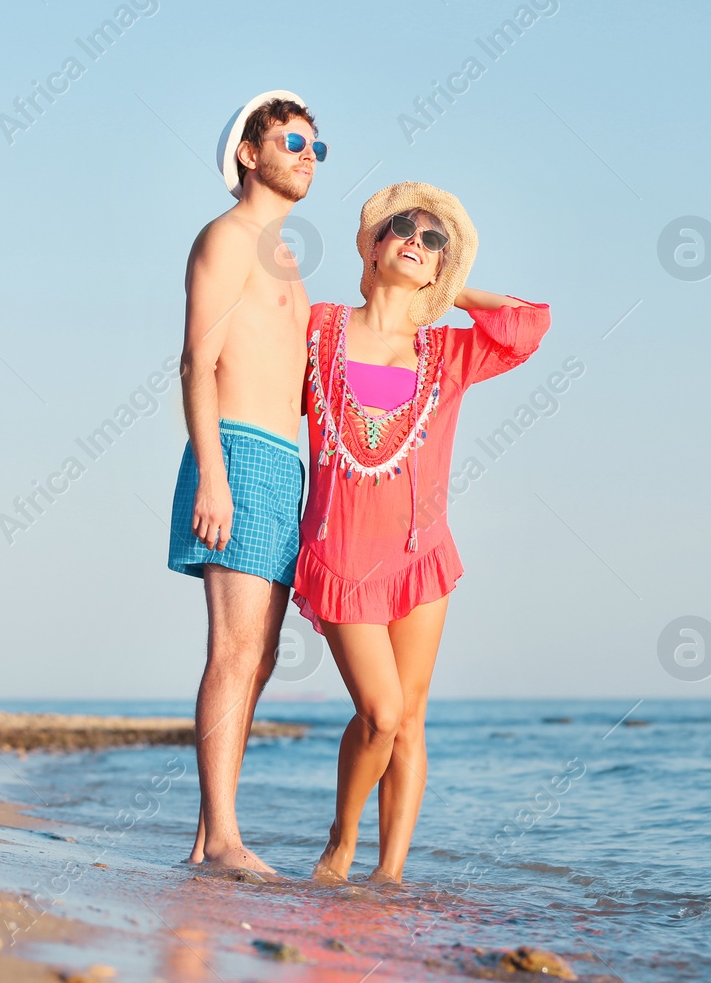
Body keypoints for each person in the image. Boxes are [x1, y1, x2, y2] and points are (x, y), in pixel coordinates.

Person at [294, 182, 550, 883]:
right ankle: (341, 843)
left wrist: (454, 291)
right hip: (339, 554)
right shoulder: (319, 328)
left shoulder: (447, 351)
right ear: (373, 246)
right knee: (379, 712)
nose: (417, 238)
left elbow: (528, 325)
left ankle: (389, 878)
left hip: (420, 557)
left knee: (410, 720)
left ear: (441, 266)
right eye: (403, 227)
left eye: (434, 239)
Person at [166, 89, 327, 873]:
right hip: (235, 451)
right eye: (294, 140)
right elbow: (198, 360)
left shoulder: (286, 255)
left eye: (315, 147)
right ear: (247, 152)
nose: (308, 155)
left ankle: (206, 840)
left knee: (259, 658)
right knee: (234, 650)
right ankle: (225, 838)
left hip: (282, 462)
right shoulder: (227, 237)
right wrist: (214, 477)